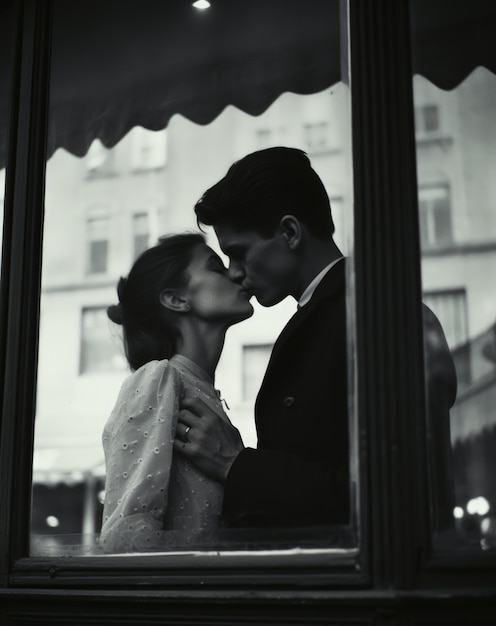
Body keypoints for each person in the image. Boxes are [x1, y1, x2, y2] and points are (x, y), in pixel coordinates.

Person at [174, 146, 457, 530]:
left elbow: (397, 492)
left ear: (290, 232)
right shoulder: (347, 309)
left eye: (238, 253)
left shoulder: (376, 315)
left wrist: (235, 463)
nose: (235, 273)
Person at [100, 233, 253, 552]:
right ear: (176, 299)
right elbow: (126, 535)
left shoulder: (202, 390)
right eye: (216, 267)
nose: (236, 273)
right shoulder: (161, 377)